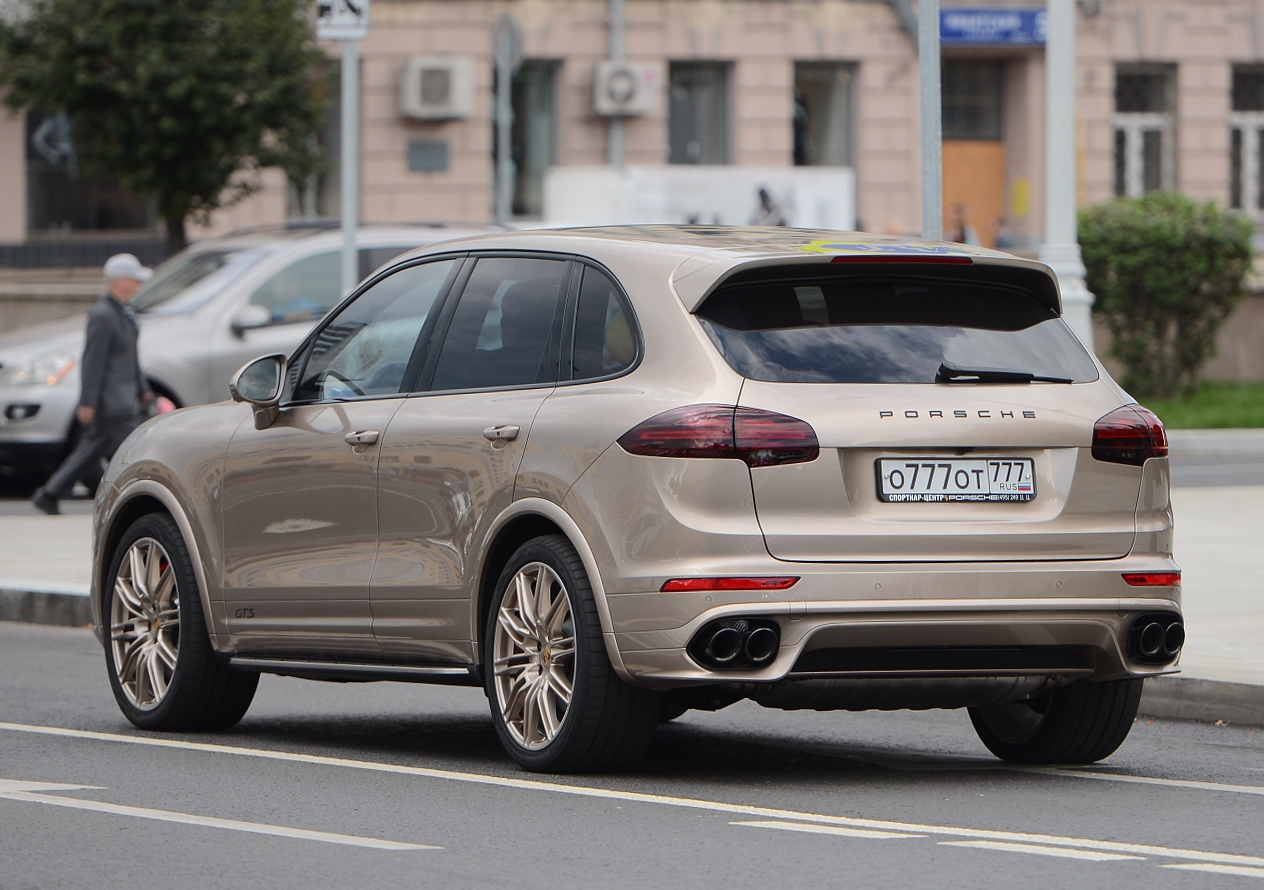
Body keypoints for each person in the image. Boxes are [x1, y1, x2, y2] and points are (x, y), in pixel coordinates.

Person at [33, 254, 154, 514]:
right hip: (113, 403)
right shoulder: (102, 315)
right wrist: (88, 401)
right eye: (134, 279)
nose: (138, 285)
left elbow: (130, 357)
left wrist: (143, 388)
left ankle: (50, 493)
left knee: (90, 450)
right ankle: (136, 498)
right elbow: (93, 361)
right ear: (120, 281)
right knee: (137, 450)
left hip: (122, 397)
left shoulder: (123, 312)